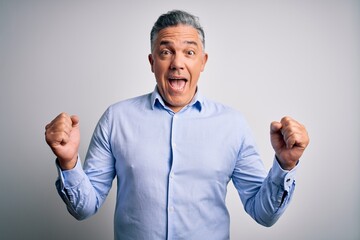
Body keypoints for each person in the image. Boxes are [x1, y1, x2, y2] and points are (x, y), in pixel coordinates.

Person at [45, 10, 309, 240]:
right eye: (165, 52)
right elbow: (84, 207)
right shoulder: (116, 119)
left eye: (189, 52)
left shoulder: (233, 125)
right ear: (152, 62)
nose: (177, 63)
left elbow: (262, 213)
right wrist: (69, 162)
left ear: (203, 61)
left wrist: (285, 165)